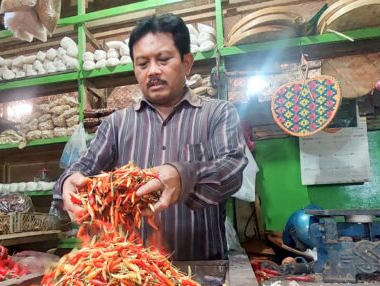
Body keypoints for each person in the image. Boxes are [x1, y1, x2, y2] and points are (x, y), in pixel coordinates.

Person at [52, 13, 247, 261]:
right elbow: (83, 167)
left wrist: (183, 174)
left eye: (163, 59)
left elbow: (232, 170)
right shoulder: (116, 124)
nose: (153, 71)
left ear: (187, 62)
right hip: (134, 273)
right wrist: (69, 180)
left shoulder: (217, 113)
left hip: (201, 267)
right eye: (143, 64)